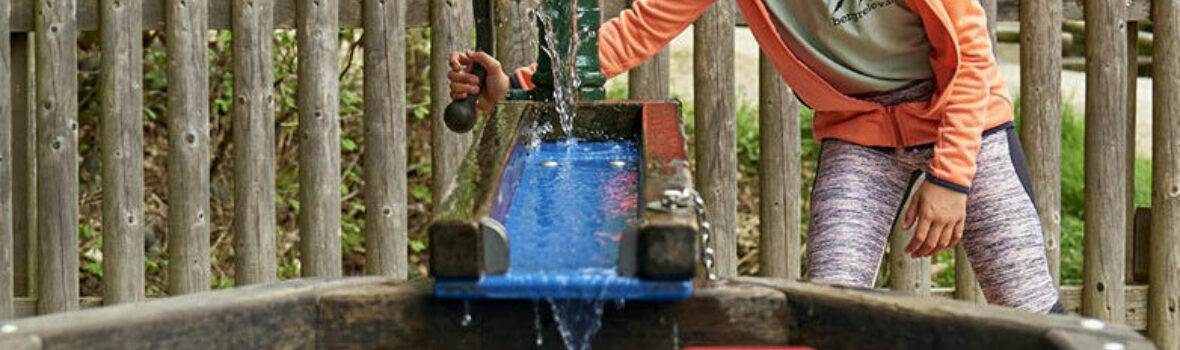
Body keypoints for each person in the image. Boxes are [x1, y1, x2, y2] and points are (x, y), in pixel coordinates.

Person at [447, 0, 1065, 314]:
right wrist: (523, 85)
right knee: (831, 306)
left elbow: (970, 55)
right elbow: (639, 28)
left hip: (961, 120)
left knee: (1030, 305)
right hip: (862, 134)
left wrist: (952, 177)